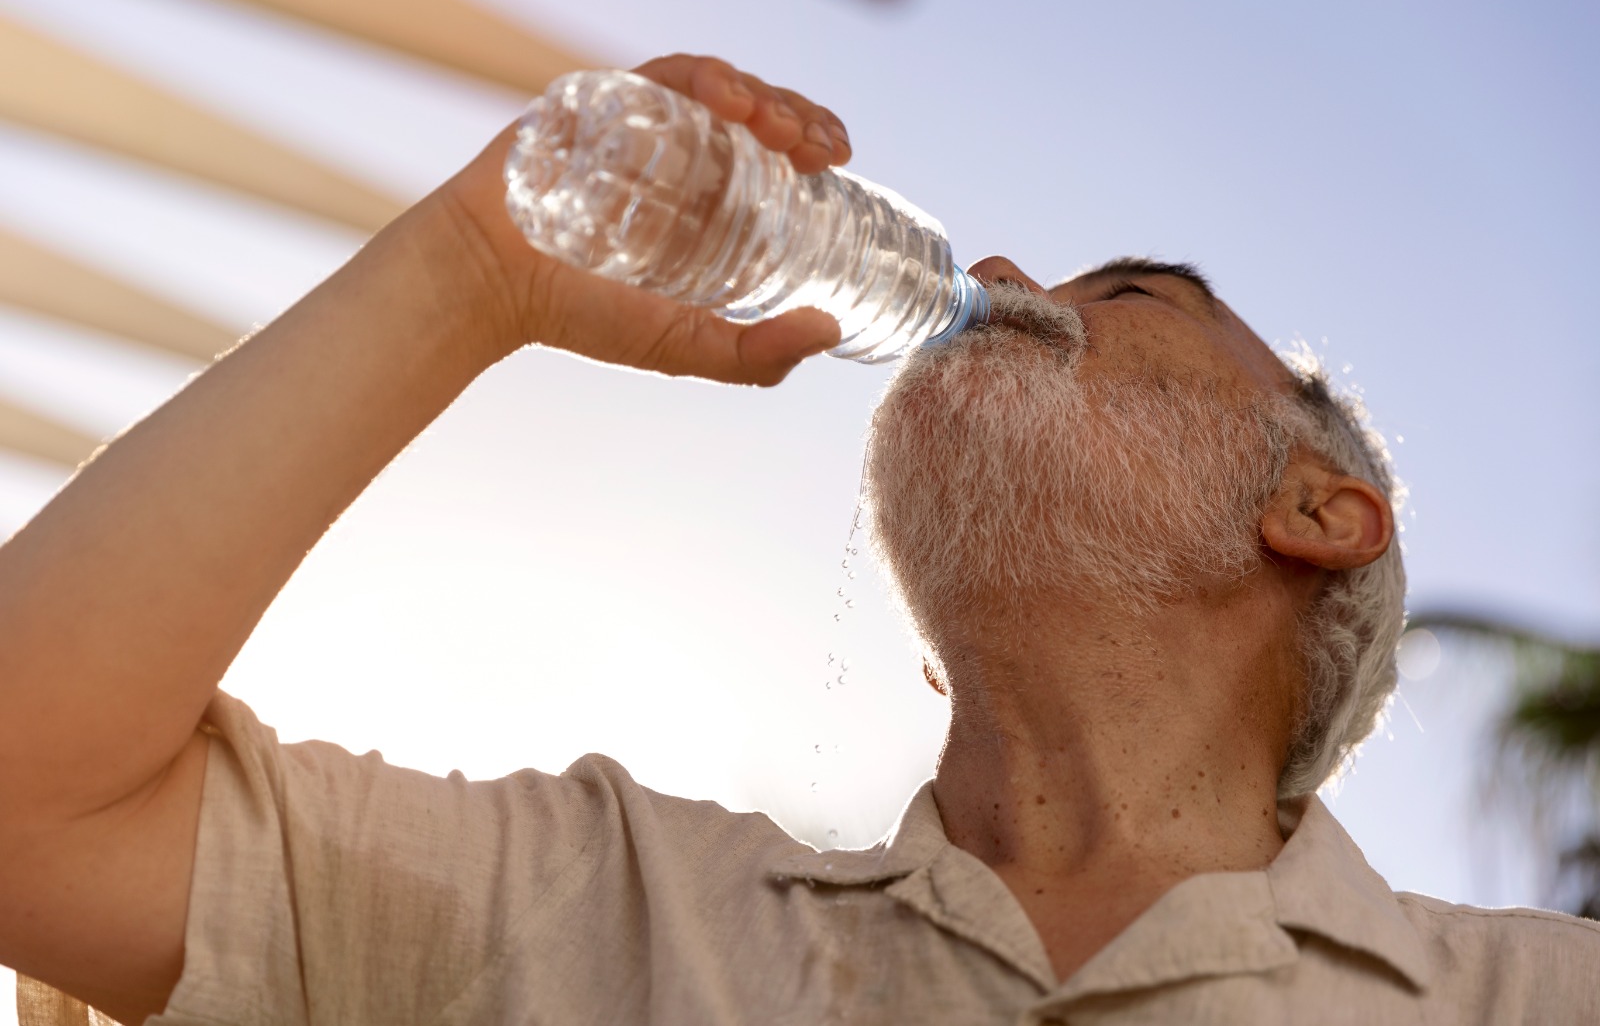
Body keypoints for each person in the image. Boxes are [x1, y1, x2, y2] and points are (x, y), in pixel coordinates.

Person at [0, 53, 1595, 1026]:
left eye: (1128, 295)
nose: (1015, 270)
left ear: (1317, 514)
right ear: (930, 634)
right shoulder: (597, 906)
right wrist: (471, 272)